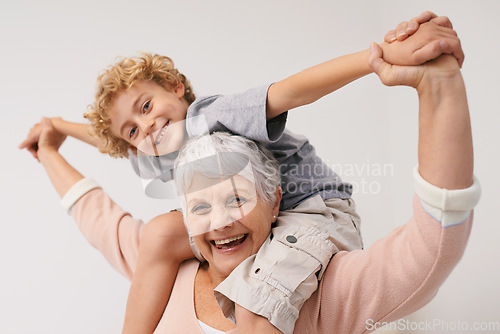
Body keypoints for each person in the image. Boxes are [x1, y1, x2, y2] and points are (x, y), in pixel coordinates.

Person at [20, 12, 465, 334]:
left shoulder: (209, 118)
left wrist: (377, 58)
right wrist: (58, 128)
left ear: (177, 88)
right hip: (256, 220)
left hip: (312, 211)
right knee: (158, 234)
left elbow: (289, 90)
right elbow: (112, 145)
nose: (148, 127)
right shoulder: (160, 145)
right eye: (134, 129)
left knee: (254, 308)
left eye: (147, 105)